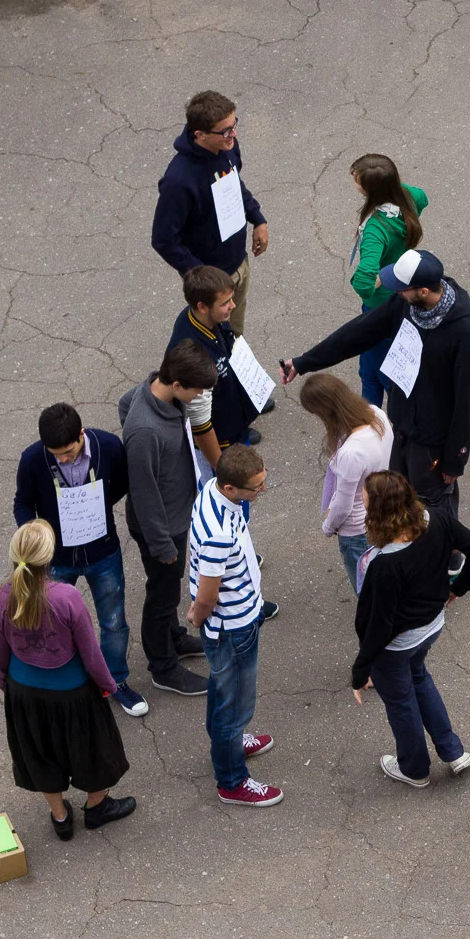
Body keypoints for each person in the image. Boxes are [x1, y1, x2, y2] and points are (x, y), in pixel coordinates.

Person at [282, 248, 470, 521]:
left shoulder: (464, 332)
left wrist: (455, 459)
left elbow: (467, 399)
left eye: (402, 288)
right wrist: (305, 362)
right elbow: (360, 331)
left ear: (423, 291)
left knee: (434, 508)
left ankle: (447, 556)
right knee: (400, 502)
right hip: (400, 426)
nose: (396, 292)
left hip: (431, 442)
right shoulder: (406, 305)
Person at [0, 521, 135, 839]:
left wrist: (6, 685)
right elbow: (90, 653)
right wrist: (107, 684)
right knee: (95, 751)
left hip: (24, 692)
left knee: (40, 755)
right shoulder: (65, 598)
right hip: (72, 693)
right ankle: (96, 807)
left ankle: (60, 816)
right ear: (49, 559)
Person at [351, 471, 470, 787]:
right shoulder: (437, 519)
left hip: (397, 646)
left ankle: (414, 769)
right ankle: (453, 751)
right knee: (419, 677)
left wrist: (360, 671)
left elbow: (377, 625)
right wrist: (458, 589)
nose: (361, 498)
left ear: (379, 513)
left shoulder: (384, 564)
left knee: (401, 701)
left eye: (366, 498)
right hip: (432, 626)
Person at [14, 403, 146, 718]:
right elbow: (23, 503)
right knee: (51, 625)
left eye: (69, 452)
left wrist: (93, 509)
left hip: (104, 553)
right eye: (55, 454)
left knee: (114, 622)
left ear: (82, 435)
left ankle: (115, 682)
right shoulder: (32, 460)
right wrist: (33, 537)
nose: (62, 459)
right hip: (55, 559)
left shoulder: (110, 447)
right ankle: (63, 685)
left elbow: (123, 484)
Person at [117, 342, 218, 698]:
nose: (200, 395)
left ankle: (174, 638)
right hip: (160, 528)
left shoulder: (150, 395)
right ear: (176, 385)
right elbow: (143, 496)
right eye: (196, 390)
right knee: (161, 597)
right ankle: (163, 667)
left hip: (175, 517)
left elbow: (124, 402)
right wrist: (162, 545)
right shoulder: (145, 432)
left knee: (169, 589)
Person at [189, 445, 283, 807]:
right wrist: (197, 615)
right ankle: (232, 781)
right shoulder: (218, 533)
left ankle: (227, 742)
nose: (261, 491)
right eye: (256, 487)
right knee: (235, 705)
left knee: (222, 688)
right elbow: (208, 594)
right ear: (230, 487)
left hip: (235, 618)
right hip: (233, 627)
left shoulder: (211, 494)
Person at [151, 90, 267, 334]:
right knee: (209, 349)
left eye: (234, 125)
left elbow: (235, 185)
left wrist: (257, 218)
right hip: (212, 285)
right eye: (225, 130)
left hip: (239, 264)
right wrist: (203, 279)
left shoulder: (227, 147)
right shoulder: (179, 181)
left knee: (233, 337)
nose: (233, 134)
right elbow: (163, 240)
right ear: (200, 135)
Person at [346, 154, 428, 406]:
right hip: (403, 291)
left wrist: (381, 277)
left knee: (381, 370)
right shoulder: (408, 198)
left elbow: (363, 282)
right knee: (370, 367)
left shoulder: (375, 229)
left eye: (358, 182)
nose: (355, 184)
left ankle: (380, 425)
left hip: (378, 305)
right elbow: (423, 196)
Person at [298, 374, 393, 591]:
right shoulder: (377, 414)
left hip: (358, 530)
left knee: (366, 588)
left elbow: (343, 504)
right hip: (383, 511)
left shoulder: (350, 453)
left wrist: (328, 527)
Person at [169, 263, 265, 456]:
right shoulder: (193, 357)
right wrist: (219, 467)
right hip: (223, 441)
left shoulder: (210, 318)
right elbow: (201, 425)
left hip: (235, 415)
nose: (233, 305)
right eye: (225, 303)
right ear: (202, 307)